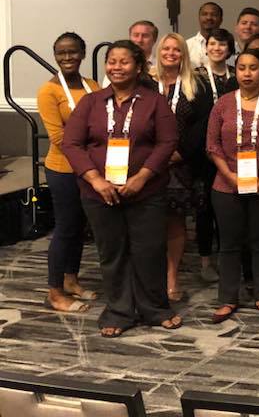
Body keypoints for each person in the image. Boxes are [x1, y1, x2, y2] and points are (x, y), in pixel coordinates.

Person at [61, 40, 181, 337]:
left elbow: (167, 142)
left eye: (124, 61)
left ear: (138, 67)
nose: (116, 67)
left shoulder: (155, 102)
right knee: (112, 253)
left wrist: (142, 177)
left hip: (146, 191)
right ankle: (119, 310)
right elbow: (71, 144)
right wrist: (95, 180)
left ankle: (155, 309)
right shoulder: (91, 102)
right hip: (99, 193)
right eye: (111, 61)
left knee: (149, 251)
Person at [206, 48, 259, 322]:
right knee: (229, 244)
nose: (247, 73)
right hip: (226, 185)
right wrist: (229, 176)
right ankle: (227, 298)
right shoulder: (223, 104)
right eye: (242, 68)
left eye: (253, 68)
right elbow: (212, 145)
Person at [37, 32, 99, 313]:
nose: (67, 57)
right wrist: (89, 161)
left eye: (73, 51)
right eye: (61, 53)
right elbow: (59, 137)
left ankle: (71, 280)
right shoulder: (48, 91)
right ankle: (55, 292)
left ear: (83, 53)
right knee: (65, 227)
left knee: (79, 226)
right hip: (63, 169)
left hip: (89, 168)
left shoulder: (92, 86)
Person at [156, 32, 212, 303]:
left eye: (176, 49)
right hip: (146, 164)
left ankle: (171, 278)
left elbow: (203, 125)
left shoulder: (196, 85)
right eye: (166, 49)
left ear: (184, 54)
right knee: (147, 223)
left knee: (175, 222)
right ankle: (149, 279)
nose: (171, 53)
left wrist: (179, 154)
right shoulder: (145, 83)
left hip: (181, 165)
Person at [194, 27, 236, 283]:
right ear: (206, 47)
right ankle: (205, 261)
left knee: (228, 207)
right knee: (204, 208)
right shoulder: (195, 77)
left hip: (232, 151)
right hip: (204, 153)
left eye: (222, 44)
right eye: (212, 43)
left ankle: (227, 258)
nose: (217, 48)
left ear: (229, 49)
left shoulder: (237, 76)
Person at [186, 1, 224, 68]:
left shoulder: (231, 46)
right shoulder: (187, 46)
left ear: (221, 20)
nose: (209, 18)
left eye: (214, 14)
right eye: (204, 14)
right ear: (199, 18)